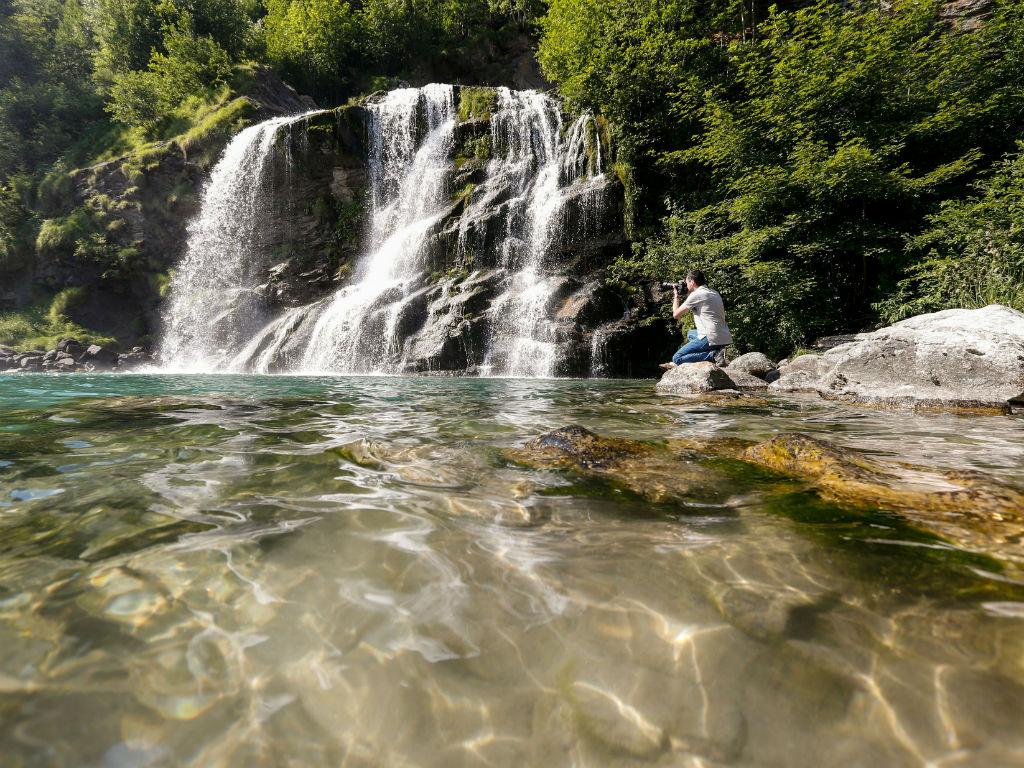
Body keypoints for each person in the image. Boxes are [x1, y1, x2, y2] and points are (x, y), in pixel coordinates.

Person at [661, 270, 732, 369]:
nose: (686, 285)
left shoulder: (697, 295)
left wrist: (676, 296)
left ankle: (713, 355)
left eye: (687, 282)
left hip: (709, 336)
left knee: (677, 358)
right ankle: (718, 349)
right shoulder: (714, 292)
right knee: (691, 333)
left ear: (692, 281)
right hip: (723, 336)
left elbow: (676, 315)